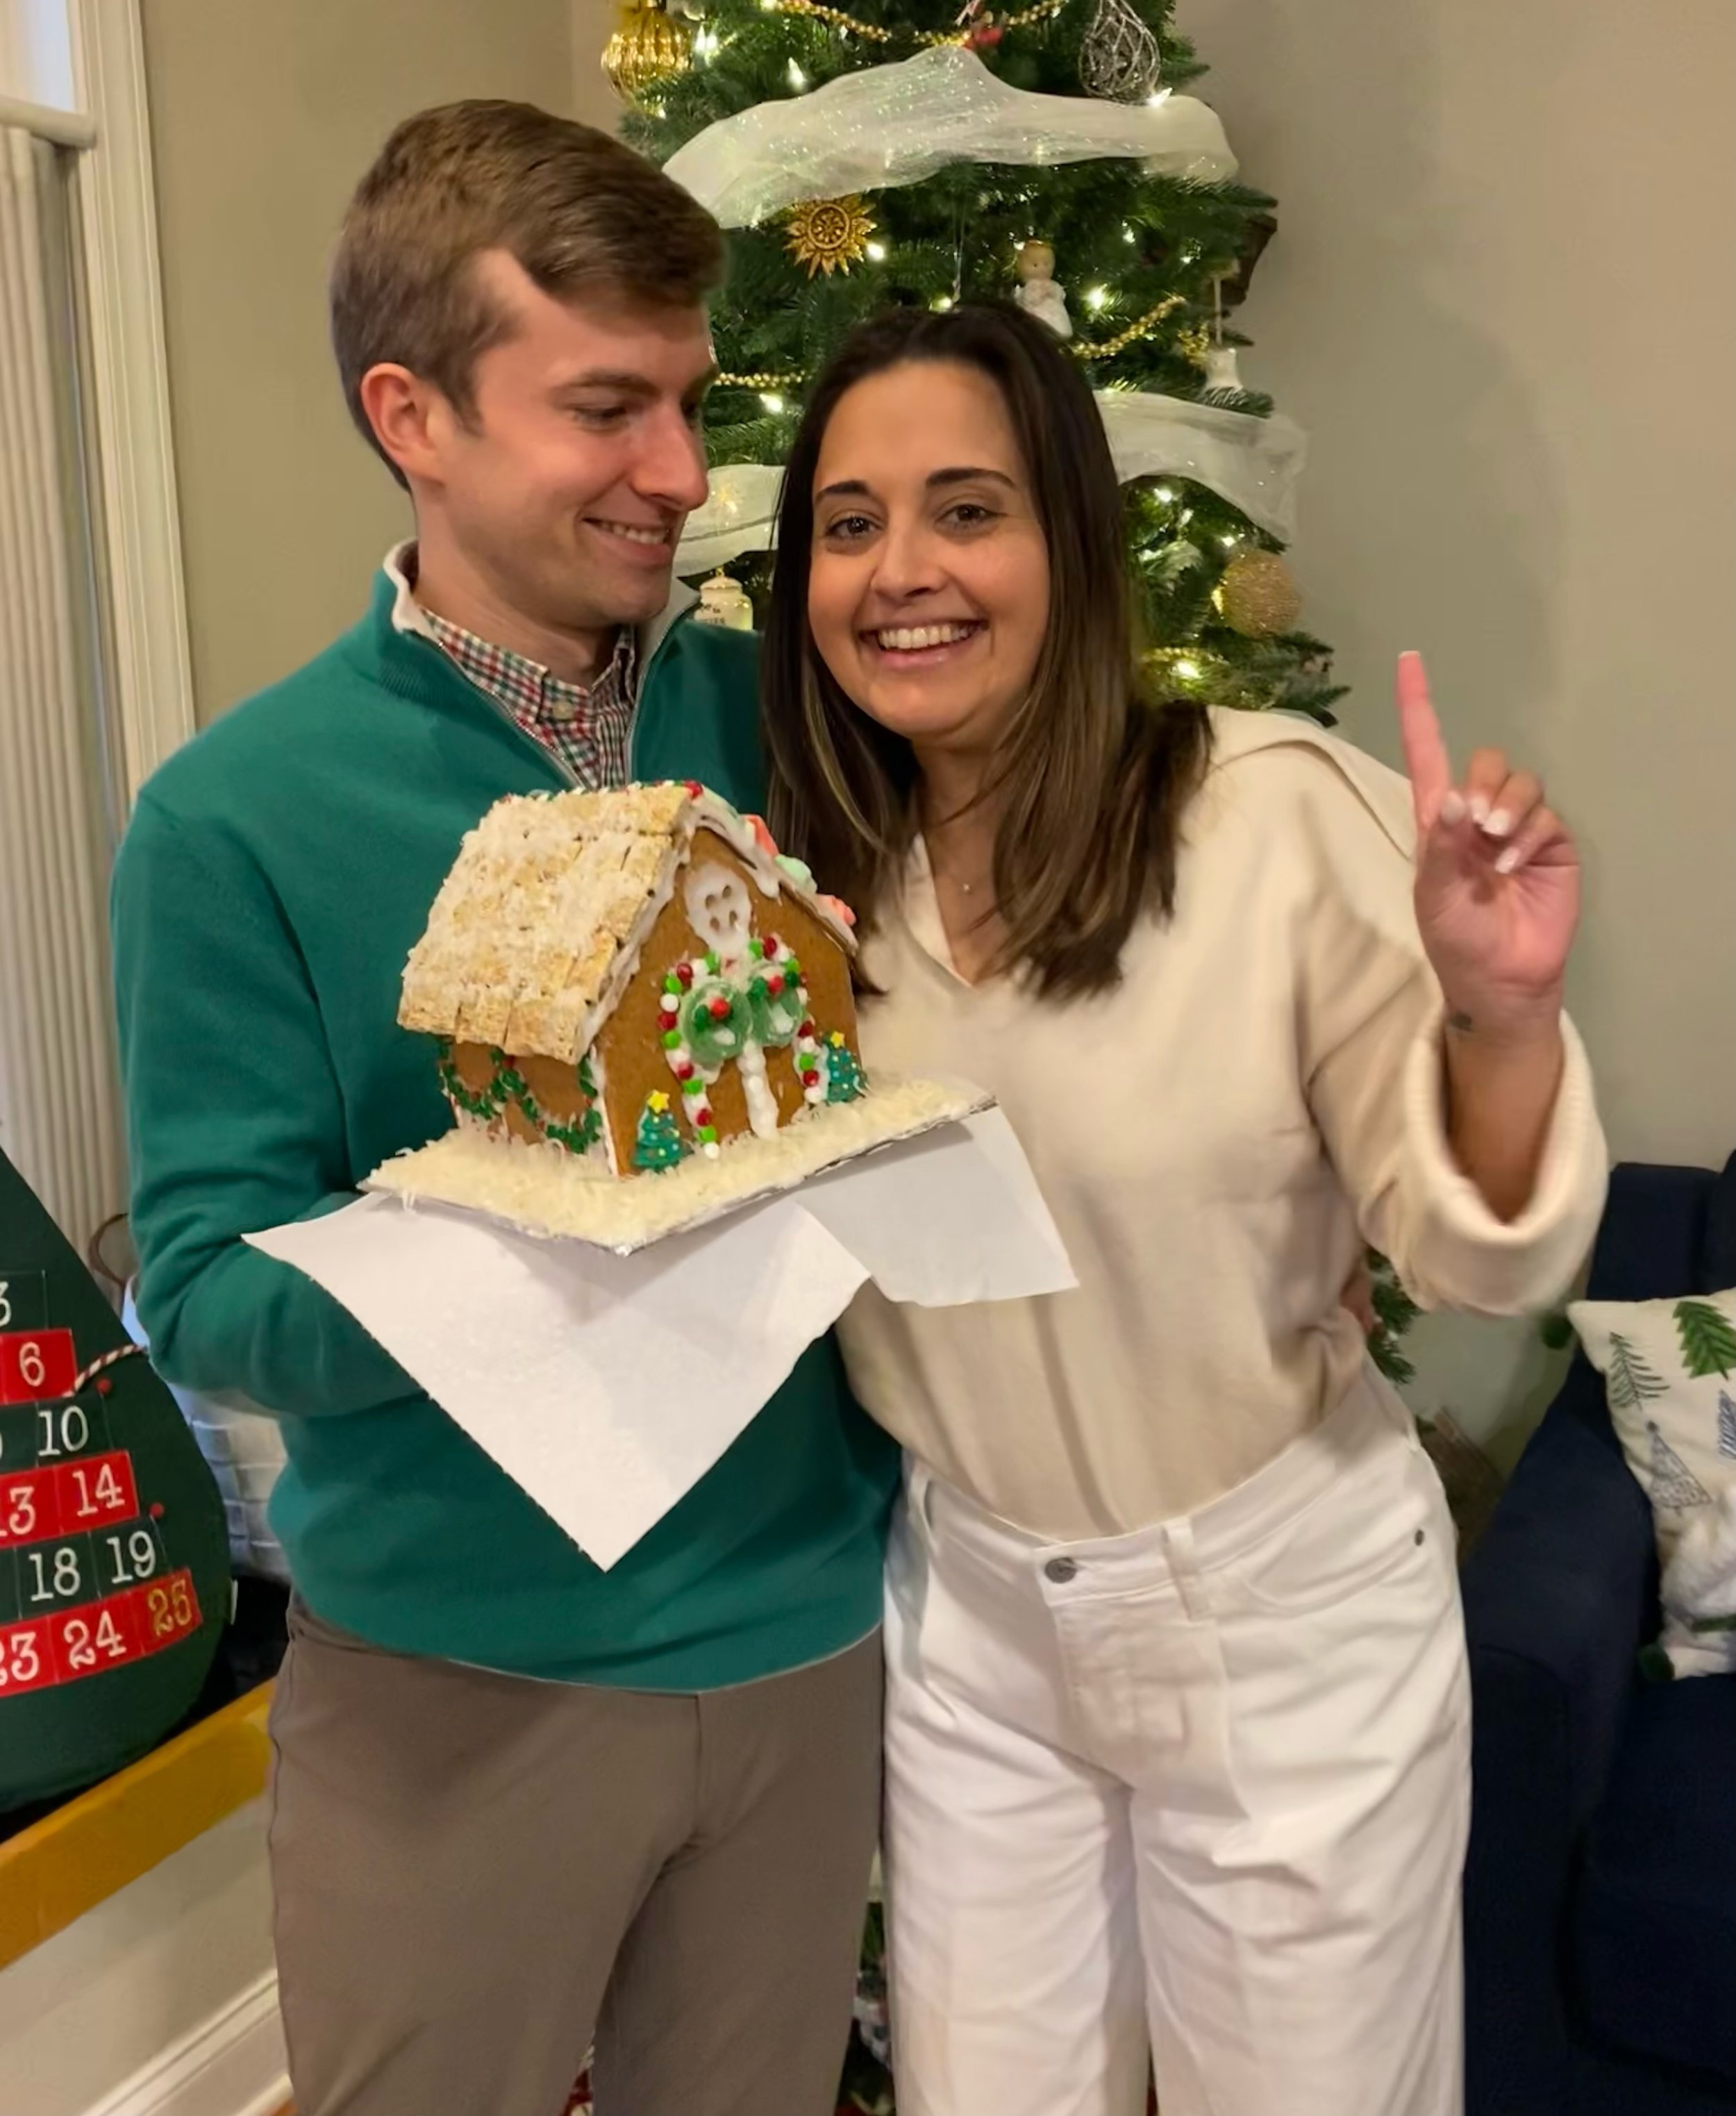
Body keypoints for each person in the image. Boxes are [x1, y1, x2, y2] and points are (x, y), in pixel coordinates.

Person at [110, 101, 898, 2116]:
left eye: (689, 405)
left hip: (803, 1647)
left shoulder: (782, 714)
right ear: (417, 413)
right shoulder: (235, 815)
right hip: (453, 1695)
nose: (681, 477)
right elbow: (203, 1293)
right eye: (606, 407)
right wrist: (513, 1231)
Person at [760, 300, 1608, 2116]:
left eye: (964, 508)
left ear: (1071, 539)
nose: (899, 571)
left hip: (1279, 1619)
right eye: (847, 525)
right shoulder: (813, 899)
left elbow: (1480, 1254)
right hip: (976, 1616)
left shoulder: (1264, 820)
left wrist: (1499, 1015)